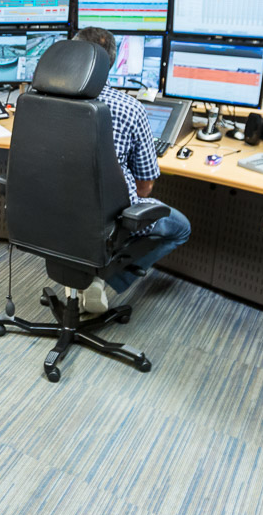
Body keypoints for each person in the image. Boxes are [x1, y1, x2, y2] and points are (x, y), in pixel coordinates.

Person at [71, 26, 191, 314]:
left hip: (54, 212)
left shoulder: (42, 96)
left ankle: (83, 272)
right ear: (111, 63)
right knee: (181, 228)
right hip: (108, 218)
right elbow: (144, 187)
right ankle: (105, 278)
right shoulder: (130, 108)